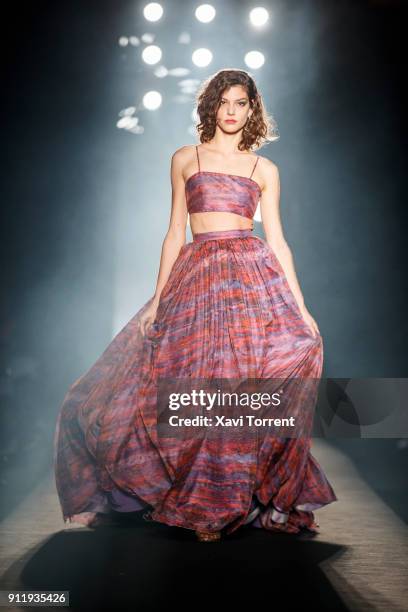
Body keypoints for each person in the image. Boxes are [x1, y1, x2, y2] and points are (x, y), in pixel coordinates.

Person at [53, 69, 337, 543]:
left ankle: (225, 501)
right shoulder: (185, 158)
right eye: (224, 101)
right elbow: (173, 233)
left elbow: (279, 242)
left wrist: (302, 307)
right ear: (211, 106)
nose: (231, 110)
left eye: (241, 102)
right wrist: (158, 300)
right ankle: (192, 493)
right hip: (197, 276)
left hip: (250, 278)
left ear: (252, 109)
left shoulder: (263, 169)